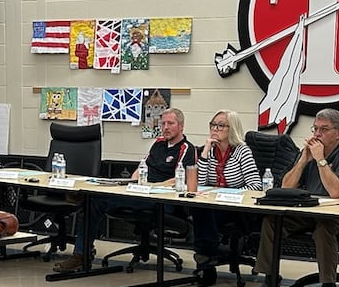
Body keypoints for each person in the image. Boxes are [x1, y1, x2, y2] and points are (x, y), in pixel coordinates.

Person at [240, 107, 339, 287]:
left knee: (324, 229)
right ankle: (270, 281)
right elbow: (286, 187)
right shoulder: (307, 152)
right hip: (309, 210)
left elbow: (335, 191)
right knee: (272, 221)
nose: (317, 134)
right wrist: (302, 161)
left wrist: (321, 160)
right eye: (315, 128)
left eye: (324, 129)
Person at [54, 106, 199, 273]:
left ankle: (81, 250)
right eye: (163, 123)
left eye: (170, 123)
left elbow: (183, 178)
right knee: (93, 202)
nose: (165, 127)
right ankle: (82, 254)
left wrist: (153, 186)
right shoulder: (158, 143)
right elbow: (142, 167)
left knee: (96, 199)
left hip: (162, 198)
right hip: (142, 192)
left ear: (181, 126)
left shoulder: (187, 148)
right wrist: (130, 182)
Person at [191, 109, 261, 266]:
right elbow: (200, 183)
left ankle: (206, 253)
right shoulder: (209, 151)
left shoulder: (242, 151)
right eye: (213, 125)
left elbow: (256, 186)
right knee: (198, 207)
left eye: (221, 125)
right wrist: (205, 153)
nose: (215, 129)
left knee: (204, 210)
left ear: (232, 129)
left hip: (237, 207)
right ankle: (207, 253)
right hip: (214, 205)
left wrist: (228, 194)